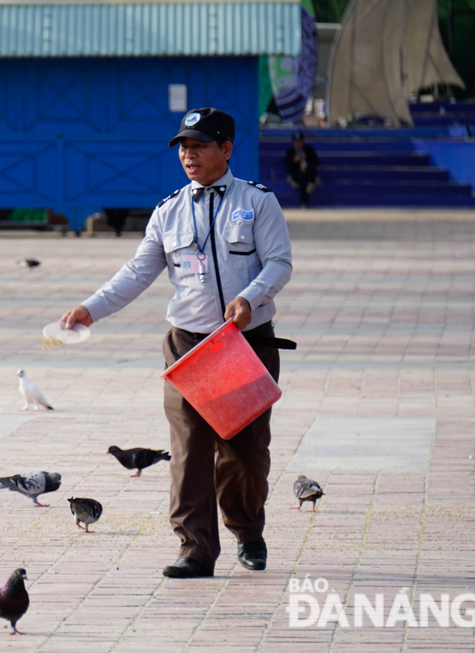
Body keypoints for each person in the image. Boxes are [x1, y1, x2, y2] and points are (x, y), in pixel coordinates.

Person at [60, 108, 293, 579]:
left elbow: (280, 263)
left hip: (246, 344)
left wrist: (250, 297)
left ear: (227, 148)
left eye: (201, 145)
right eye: (184, 146)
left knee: (245, 451)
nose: (190, 154)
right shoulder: (168, 211)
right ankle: (195, 548)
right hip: (189, 346)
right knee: (189, 448)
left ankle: (248, 532)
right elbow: (138, 272)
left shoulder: (258, 203)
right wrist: (92, 308)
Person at [285, 130, 320, 208]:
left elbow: (316, 162)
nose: (299, 144)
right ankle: (304, 201)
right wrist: (295, 161)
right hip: (297, 174)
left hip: (309, 173)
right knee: (303, 179)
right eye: (296, 142)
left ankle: (310, 183)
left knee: (310, 170)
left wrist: (305, 159)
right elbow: (288, 166)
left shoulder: (308, 150)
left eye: (300, 142)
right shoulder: (290, 152)